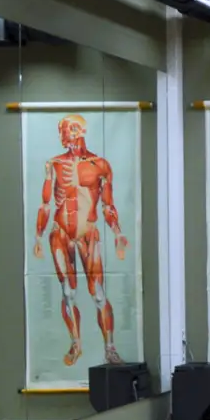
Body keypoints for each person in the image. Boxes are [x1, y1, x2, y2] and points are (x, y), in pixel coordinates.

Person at [32, 114, 128, 367]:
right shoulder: (54, 164)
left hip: (88, 234)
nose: (63, 134)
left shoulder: (100, 165)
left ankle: (110, 348)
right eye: (61, 130)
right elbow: (45, 203)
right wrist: (38, 235)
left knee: (98, 294)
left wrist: (117, 232)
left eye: (66, 129)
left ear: (79, 130)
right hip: (61, 232)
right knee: (68, 292)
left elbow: (108, 205)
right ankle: (76, 343)